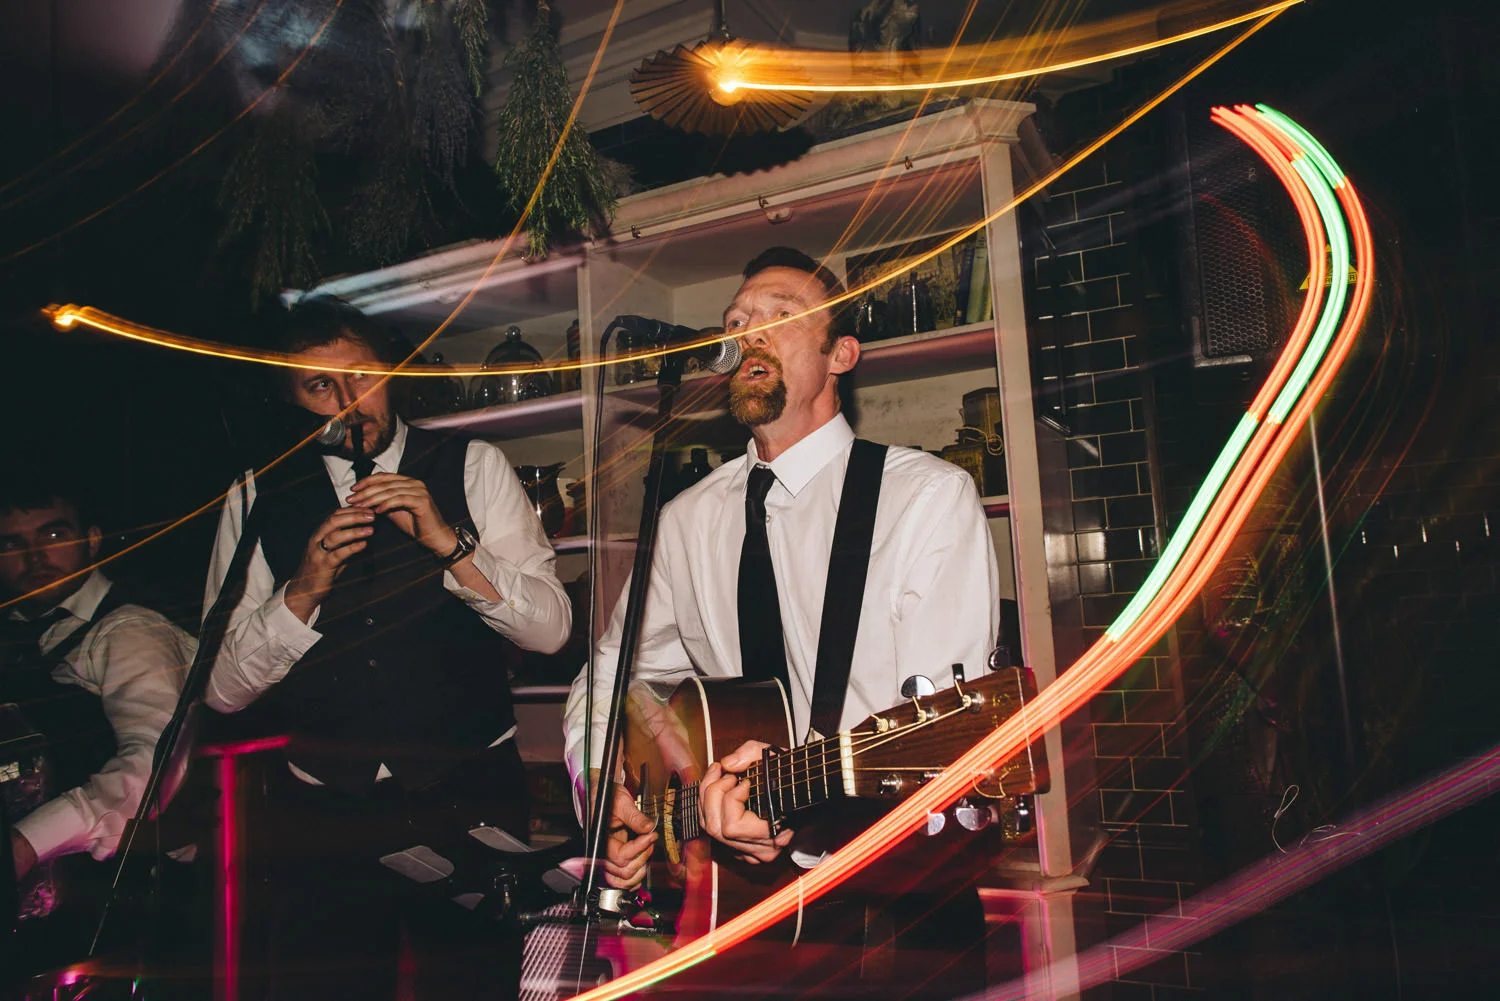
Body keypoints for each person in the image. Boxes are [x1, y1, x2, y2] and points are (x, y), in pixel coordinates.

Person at [563, 247, 1001, 998]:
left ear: (841, 355)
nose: (749, 331)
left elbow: (941, 740)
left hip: (897, 901)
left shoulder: (925, 498)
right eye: (736, 320)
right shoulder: (686, 519)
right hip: (741, 904)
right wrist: (605, 792)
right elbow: (612, 671)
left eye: (781, 315)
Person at [203, 296, 571, 1001]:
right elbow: (220, 690)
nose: (347, 401)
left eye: (362, 376)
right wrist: (301, 591)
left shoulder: (471, 465)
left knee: (473, 986)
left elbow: (552, 630)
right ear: (294, 400)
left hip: (467, 792)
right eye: (320, 386)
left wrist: (451, 546)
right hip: (323, 812)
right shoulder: (256, 494)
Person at [0, 476, 193, 982]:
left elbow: (154, 765)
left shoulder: (128, 630)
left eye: (54, 535)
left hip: (114, 916)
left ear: (92, 540)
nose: (35, 556)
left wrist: (23, 844)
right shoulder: (14, 635)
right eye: (13, 544)